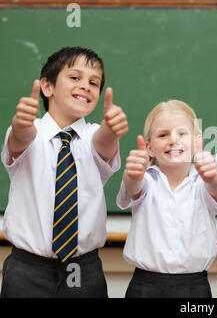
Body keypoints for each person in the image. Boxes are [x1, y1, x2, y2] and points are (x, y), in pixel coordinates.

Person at [1, 46, 128, 297]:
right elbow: (20, 138)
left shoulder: (94, 136)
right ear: (47, 88)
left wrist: (112, 130)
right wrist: (20, 123)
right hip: (27, 269)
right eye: (75, 77)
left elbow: (104, 142)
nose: (85, 86)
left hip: (84, 269)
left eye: (94, 82)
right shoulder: (30, 133)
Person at [116, 100, 217, 298]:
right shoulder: (145, 180)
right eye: (163, 135)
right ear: (149, 148)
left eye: (182, 133)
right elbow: (133, 187)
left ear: (196, 143)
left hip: (194, 287)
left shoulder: (203, 182)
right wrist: (132, 175)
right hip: (145, 285)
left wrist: (214, 176)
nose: (173, 140)